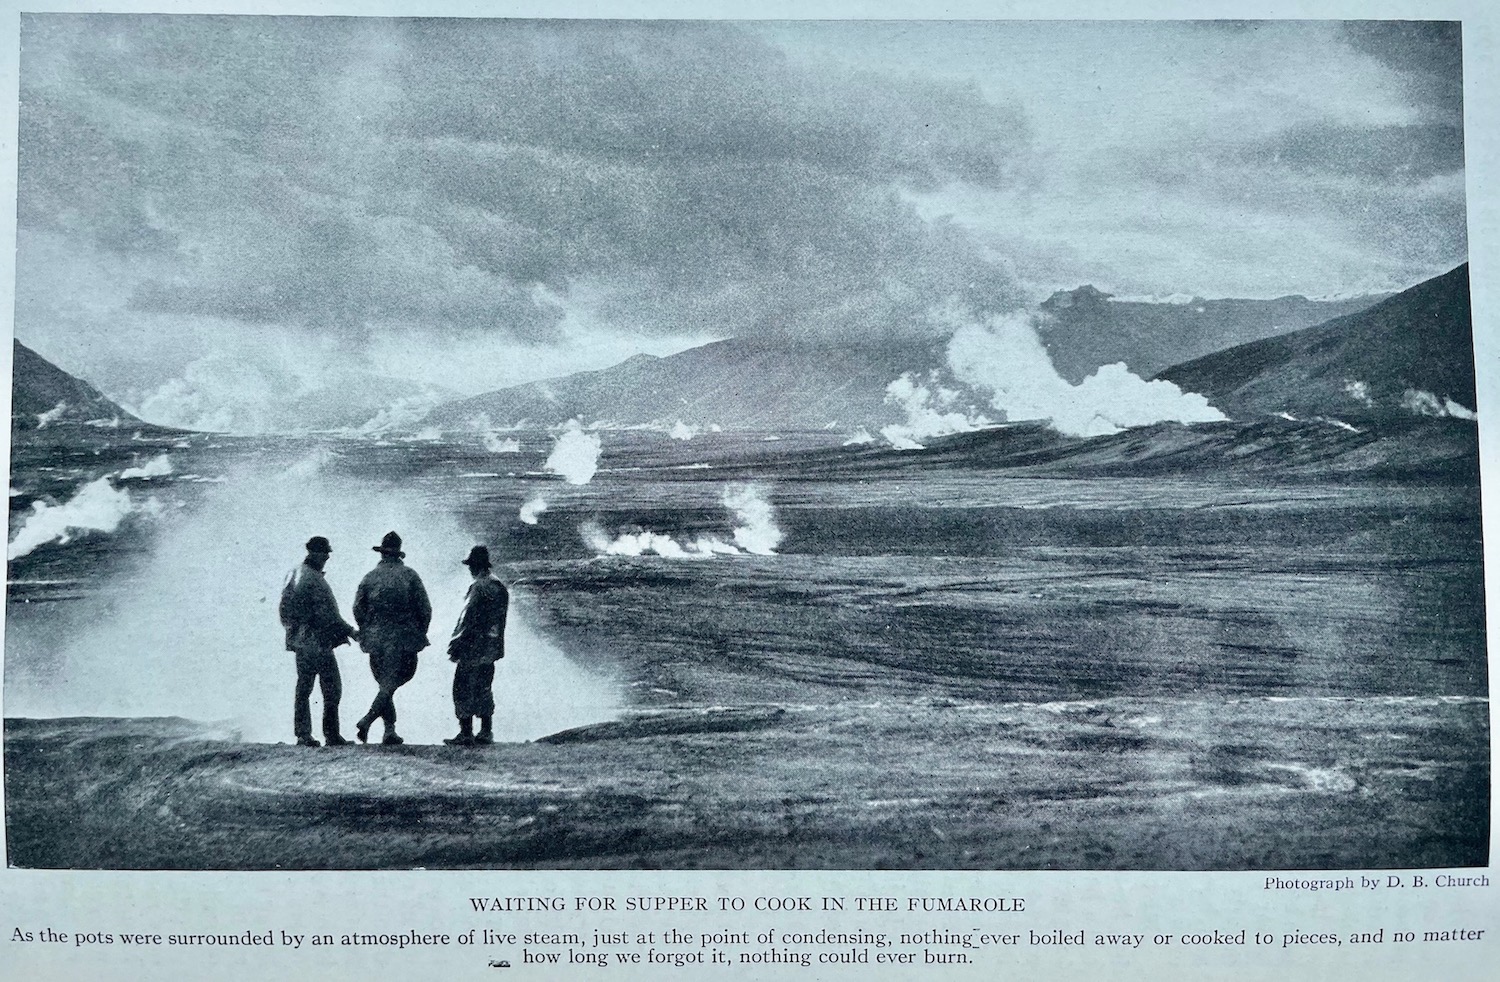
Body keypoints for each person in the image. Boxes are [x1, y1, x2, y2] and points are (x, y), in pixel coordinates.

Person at [352, 531, 431, 745]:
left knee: (385, 683)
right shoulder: (410, 575)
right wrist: (420, 632)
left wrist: (366, 630)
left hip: (376, 639)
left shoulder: (369, 577)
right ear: (398, 554)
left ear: (382, 554)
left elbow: (357, 608)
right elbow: (425, 608)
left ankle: (389, 730)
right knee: (396, 680)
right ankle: (368, 720)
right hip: (403, 638)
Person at [278, 536, 357, 747]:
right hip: (318, 641)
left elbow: (283, 610)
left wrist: (293, 631)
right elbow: (329, 615)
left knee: (304, 687)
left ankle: (303, 735)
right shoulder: (313, 579)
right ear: (315, 553)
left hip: (300, 640)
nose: (327, 557)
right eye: (325, 553)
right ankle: (331, 735)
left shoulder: (294, 574)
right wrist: (351, 632)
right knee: (332, 688)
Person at [444, 545, 510, 746]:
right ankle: (486, 731)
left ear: (475, 566)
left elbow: (468, 617)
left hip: (471, 646)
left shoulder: (478, 587)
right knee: (484, 687)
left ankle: (466, 732)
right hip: (491, 647)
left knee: (462, 687)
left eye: (471, 565)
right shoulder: (499, 586)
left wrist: (456, 641)